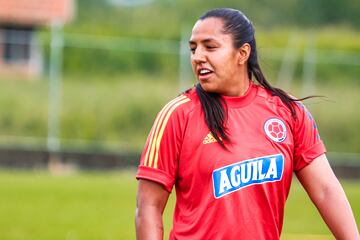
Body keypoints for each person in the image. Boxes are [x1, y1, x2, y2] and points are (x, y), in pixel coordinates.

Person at [135, 8, 359, 240]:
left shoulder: (288, 112)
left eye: (210, 47)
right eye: (193, 48)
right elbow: (148, 207)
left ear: (242, 53)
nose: (198, 56)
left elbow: (325, 190)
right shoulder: (177, 114)